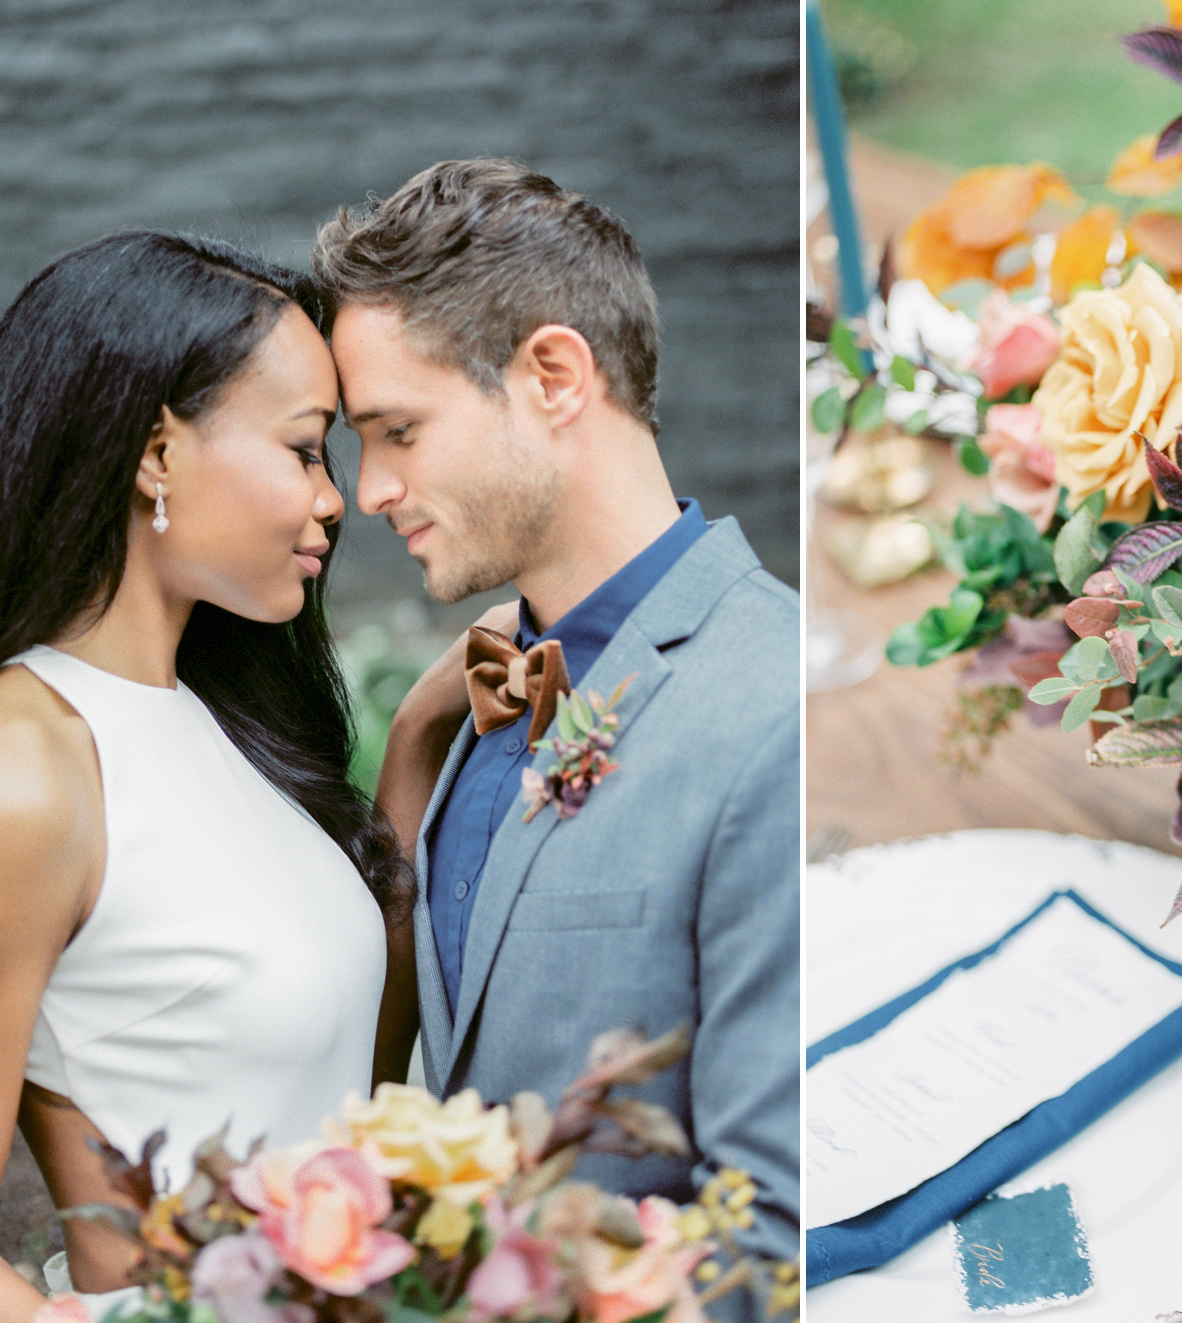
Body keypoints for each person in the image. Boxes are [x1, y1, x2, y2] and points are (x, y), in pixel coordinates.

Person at [0, 233, 400, 1320]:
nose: (335, 501)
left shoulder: (223, 727)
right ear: (154, 454)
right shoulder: (17, 775)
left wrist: (420, 739)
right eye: (306, 449)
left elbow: (346, 1082)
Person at [312, 160, 800, 1268]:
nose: (370, 490)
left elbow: (774, 1240)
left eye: (396, 431)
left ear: (552, 375)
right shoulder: (468, 701)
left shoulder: (771, 717)